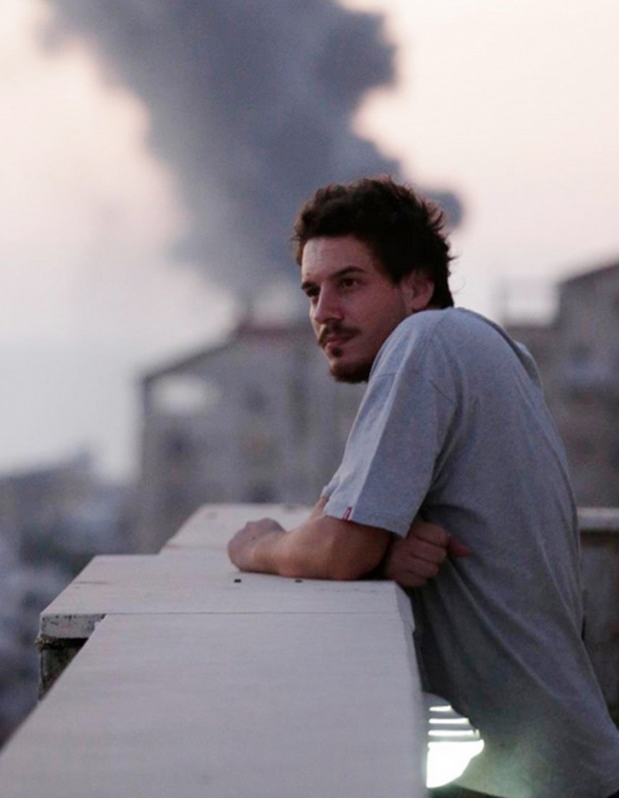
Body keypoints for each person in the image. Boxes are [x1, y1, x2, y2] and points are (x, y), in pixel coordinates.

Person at [227, 177, 619, 797]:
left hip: (539, 781)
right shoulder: (494, 348)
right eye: (312, 291)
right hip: (553, 765)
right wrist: (381, 547)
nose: (323, 312)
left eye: (349, 284)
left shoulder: (425, 343)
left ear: (417, 287)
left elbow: (332, 547)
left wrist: (257, 546)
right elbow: (341, 521)